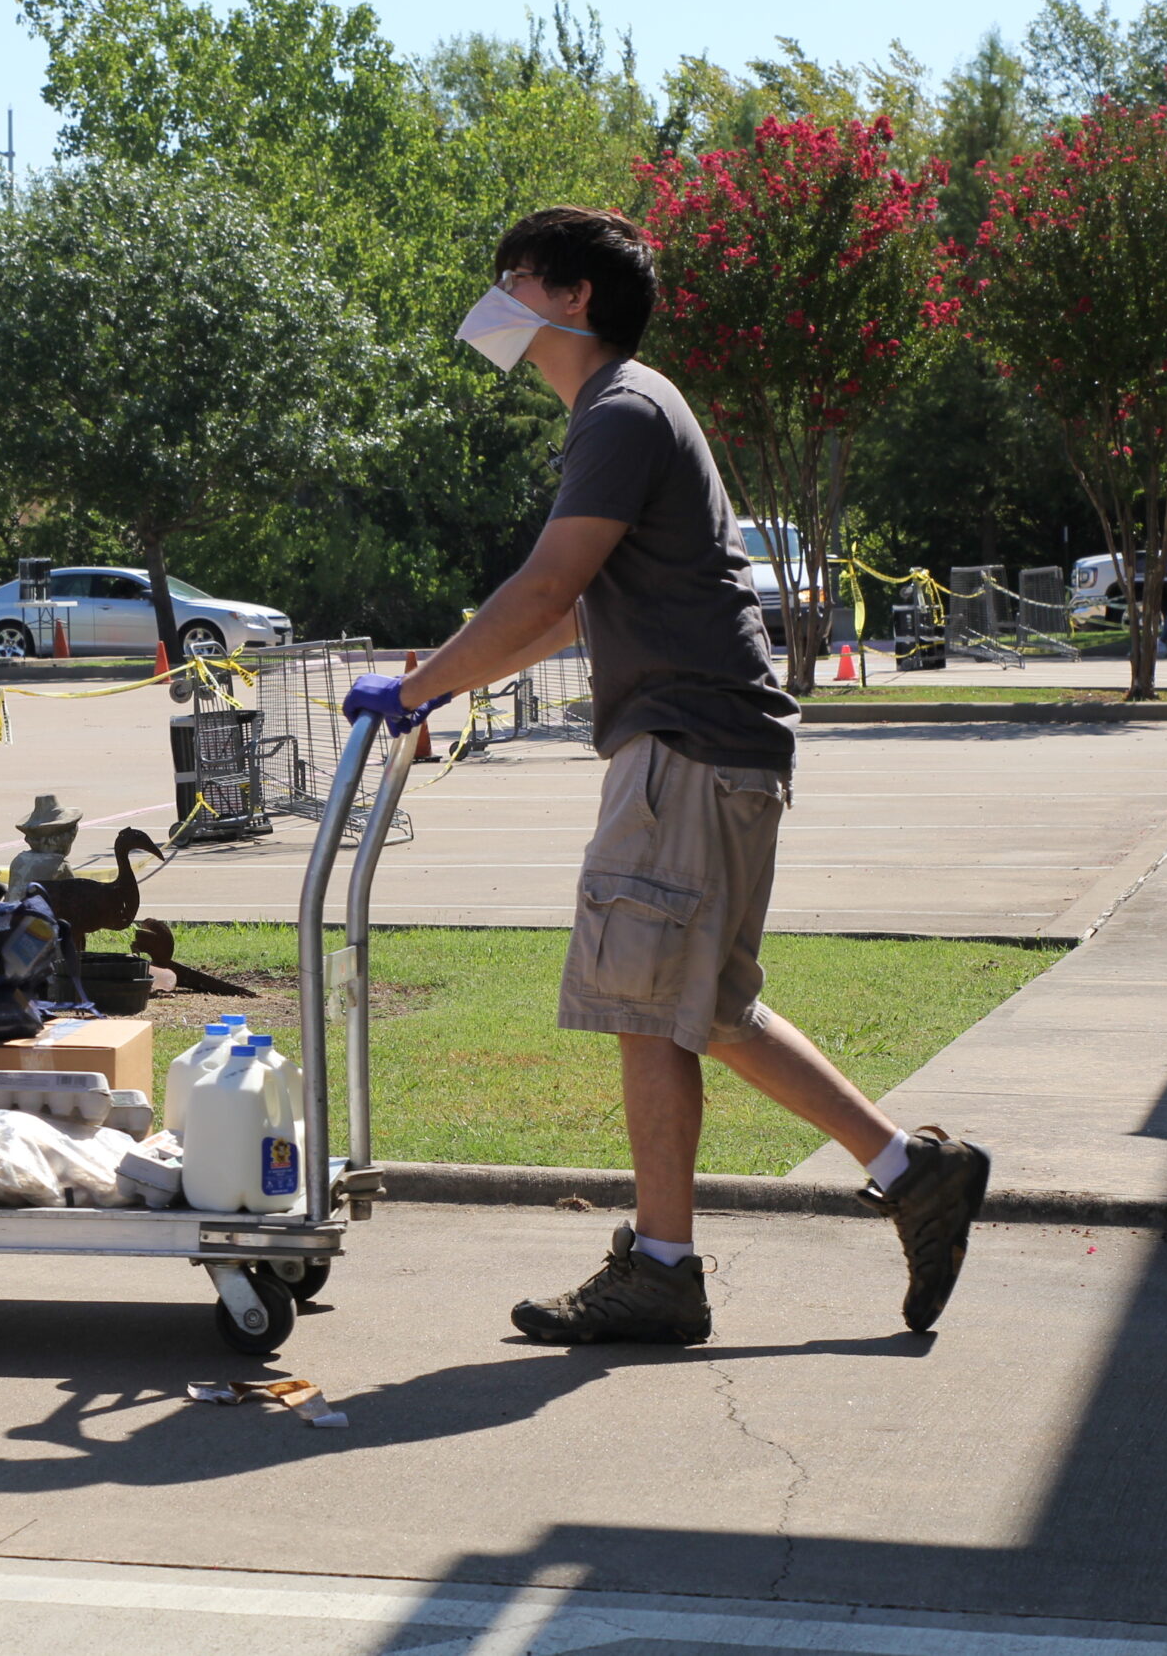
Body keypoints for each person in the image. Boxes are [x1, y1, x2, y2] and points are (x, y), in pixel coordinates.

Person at [342, 207, 990, 1344]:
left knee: (648, 1007)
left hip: (685, 746)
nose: (495, 298)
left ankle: (665, 1267)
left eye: (513, 277)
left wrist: (416, 688)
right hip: (710, 746)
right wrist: (439, 678)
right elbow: (569, 612)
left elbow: (548, 588)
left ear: (574, 297)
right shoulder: (623, 409)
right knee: (700, 1007)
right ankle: (903, 1173)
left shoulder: (622, 409)